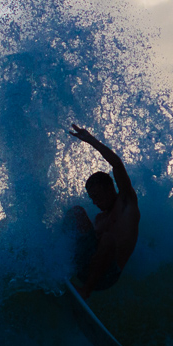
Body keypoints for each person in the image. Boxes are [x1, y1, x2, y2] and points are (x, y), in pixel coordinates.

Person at [61, 122, 140, 299]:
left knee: (107, 239)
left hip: (107, 277)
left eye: (98, 196)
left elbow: (117, 165)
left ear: (111, 188)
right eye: (92, 198)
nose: (95, 202)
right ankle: (55, 264)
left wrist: (90, 140)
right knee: (76, 213)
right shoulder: (99, 219)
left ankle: (85, 291)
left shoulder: (126, 203)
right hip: (86, 267)